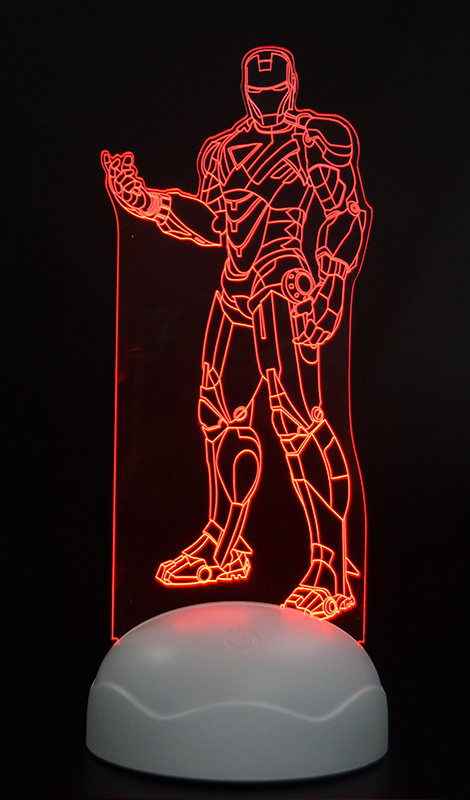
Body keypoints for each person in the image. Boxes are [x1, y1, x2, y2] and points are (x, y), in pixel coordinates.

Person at [101, 46, 371, 621]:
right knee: (220, 414)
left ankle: (331, 564)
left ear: (292, 85)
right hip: (235, 289)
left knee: (298, 421)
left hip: (284, 284)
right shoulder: (223, 150)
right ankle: (225, 541)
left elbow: (348, 214)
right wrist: (149, 202)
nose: (269, 104)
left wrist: (328, 285)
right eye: (259, 95)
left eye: (276, 93)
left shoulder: (319, 140)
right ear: (247, 93)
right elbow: (216, 224)